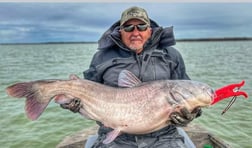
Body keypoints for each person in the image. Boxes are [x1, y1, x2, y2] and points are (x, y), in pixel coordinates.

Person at [61, 6, 202, 148]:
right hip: (115, 136)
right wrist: (76, 104)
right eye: (128, 27)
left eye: (141, 26)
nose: (135, 32)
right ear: (120, 31)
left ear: (149, 30)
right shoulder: (101, 57)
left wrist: (192, 113)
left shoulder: (171, 56)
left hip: (164, 136)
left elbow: (189, 93)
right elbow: (88, 90)